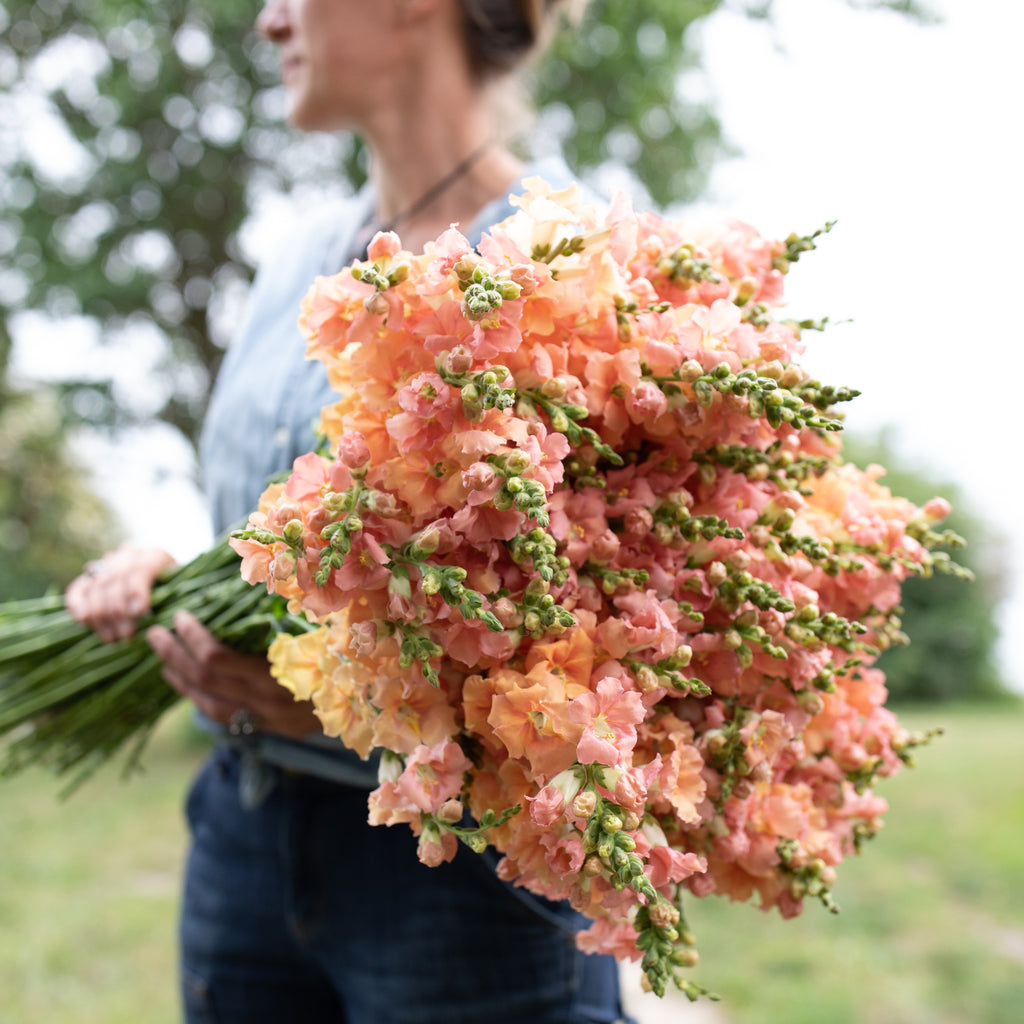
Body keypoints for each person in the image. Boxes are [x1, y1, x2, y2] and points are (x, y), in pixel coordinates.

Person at [66, 1, 637, 1022]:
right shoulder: (302, 256)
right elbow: (274, 521)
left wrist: (363, 717)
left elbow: (621, 652)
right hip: (244, 830)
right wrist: (173, 575)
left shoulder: (576, 266)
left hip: (456, 887)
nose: (267, 21)